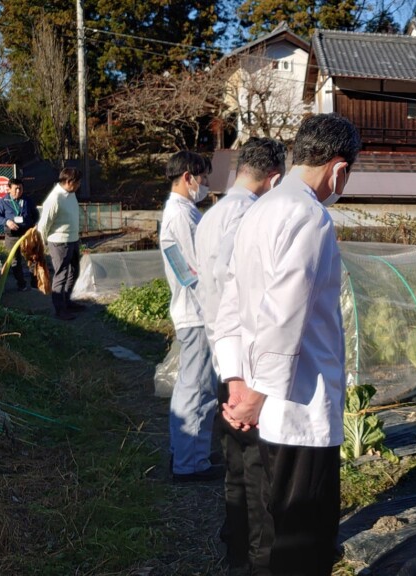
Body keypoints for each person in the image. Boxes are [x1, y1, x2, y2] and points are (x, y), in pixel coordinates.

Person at [214, 114, 360, 576]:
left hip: (259, 399)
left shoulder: (259, 209)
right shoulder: (309, 216)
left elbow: (232, 300)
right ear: (338, 169)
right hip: (297, 405)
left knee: (271, 524)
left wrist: (237, 381)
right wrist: (255, 395)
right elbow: (285, 313)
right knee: (302, 535)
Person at [196, 137, 286, 574]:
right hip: (247, 365)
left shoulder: (210, 215)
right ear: (274, 178)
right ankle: (257, 556)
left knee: (236, 464)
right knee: (257, 470)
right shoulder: (255, 217)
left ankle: (234, 545)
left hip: (221, 355)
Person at [160, 150, 222, 483]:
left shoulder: (181, 212)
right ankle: (190, 463)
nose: (206, 185)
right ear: (188, 177)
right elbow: (195, 270)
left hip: (193, 311)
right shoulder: (181, 216)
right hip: (196, 312)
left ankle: (187, 453)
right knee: (197, 387)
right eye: (204, 178)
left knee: (192, 385)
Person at [36, 168, 83, 320]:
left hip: (73, 239)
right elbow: (43, 225)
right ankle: (60, 309)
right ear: (69, 182)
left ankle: (67, 301)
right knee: (61, 275)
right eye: (77, 182)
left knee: (74, 271)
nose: (79, 185)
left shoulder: (71, 194)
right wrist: (40, 246)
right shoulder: (54, 199)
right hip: (59, 242)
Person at [0, 178, 39, 291]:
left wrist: (36, 224)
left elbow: (35, 214)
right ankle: (21, 284)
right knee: (15, 260)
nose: (18, 191)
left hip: (27, 234)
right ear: (9, 189)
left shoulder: (27, 200)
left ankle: (34, 283)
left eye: (20, 188)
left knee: (33, 258)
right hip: (12, 235)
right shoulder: (3, 202)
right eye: (16, 188)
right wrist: (6, 222)